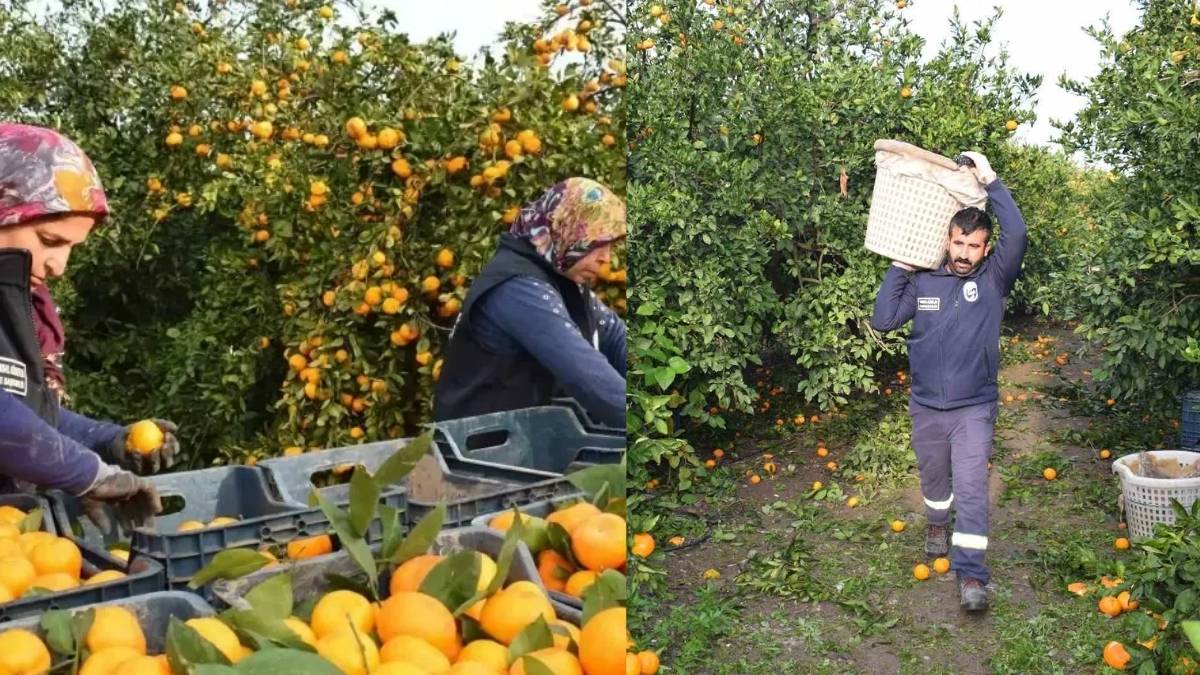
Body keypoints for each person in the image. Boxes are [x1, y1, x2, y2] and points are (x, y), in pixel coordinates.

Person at [869, 151, 1028, 612]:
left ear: (985, 248)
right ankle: (937, 523)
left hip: (974, 407)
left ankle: (972, 576)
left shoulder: (995, 280)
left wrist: (991, 179)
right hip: (925, 406)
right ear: (947, 239)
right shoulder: (925, 281)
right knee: (935, 479)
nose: (963, 253)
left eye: (974, 246)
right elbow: (883, 320)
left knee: (974, 487)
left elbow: (1016, 232)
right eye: (958, 243)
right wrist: (900, 265)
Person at [0, 122, 175, 530]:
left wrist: (108, 441)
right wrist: (85, 473)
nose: (59, 266)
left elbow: (27, 411)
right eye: (49, 239)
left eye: (71, 248)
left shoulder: (20, 304)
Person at [433, 177, 626, 427]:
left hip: (523, 442)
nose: (606, 259)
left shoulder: (561, 279)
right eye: (597, 244)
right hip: (481, 452)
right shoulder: (518, 287)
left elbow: (615, 336)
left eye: (611, 247)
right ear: (566, 228)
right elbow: (587, 375)